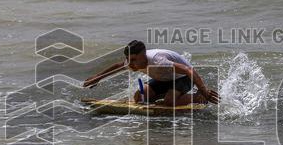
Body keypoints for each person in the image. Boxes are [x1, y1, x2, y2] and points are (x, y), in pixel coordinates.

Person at [83, 40, 220, 106]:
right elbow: (118, 66)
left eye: (134, 60)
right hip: (163, 78)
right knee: (139, 97)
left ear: (143, 55)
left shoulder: (157, 60)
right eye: (128, 59)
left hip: (183, 78)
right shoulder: (133, 61)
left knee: (169, 102)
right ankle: (164, 96)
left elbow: (188, 70)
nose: (130, 64)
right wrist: (97, 78)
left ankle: (196, 97)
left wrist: (204, 90)